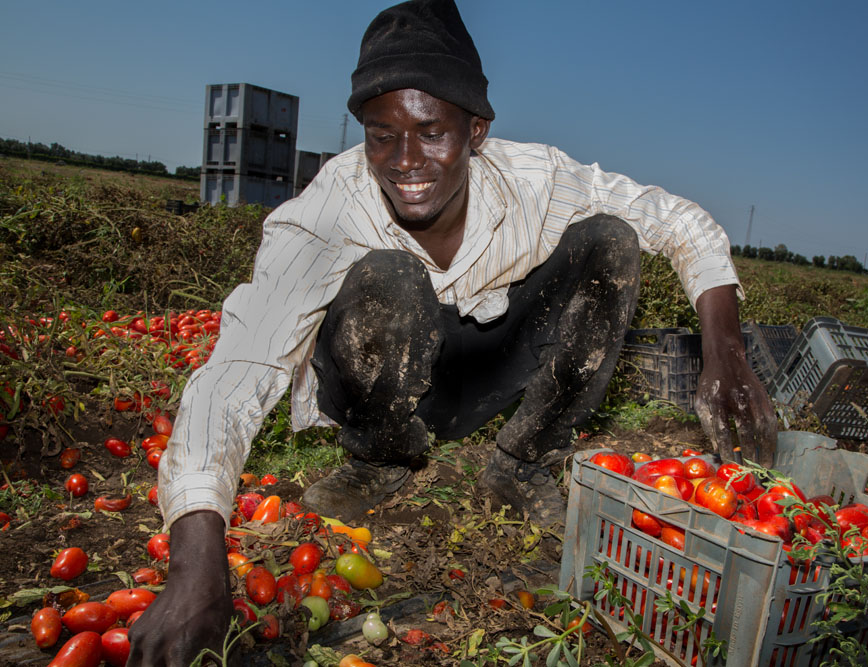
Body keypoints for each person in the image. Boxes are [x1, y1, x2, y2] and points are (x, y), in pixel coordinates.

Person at [126, 0, 776, 663]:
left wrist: (724, 354)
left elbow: (678, 219)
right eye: (382, 134)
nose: (406, 160)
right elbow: (238, 369)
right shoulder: (327, 211)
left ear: (477, 130)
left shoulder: (538, 181)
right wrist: (195, 561)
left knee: (614, 241)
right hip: (378, 385)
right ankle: (378, 458)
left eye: (431, 131)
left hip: (479, 374)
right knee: (387, 276)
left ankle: (522, 462)